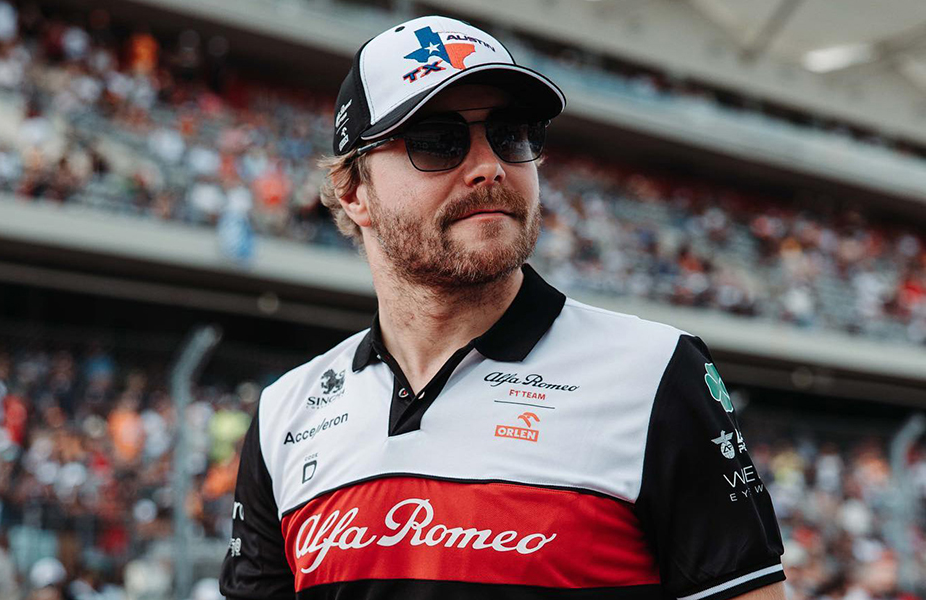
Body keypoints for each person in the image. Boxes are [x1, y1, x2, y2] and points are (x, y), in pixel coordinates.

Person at [220, 15, 786, 600]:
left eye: (511, 133)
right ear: (353, 193)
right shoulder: (285, 413)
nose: (490, 165)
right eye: (437, 141)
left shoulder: (657, 372)